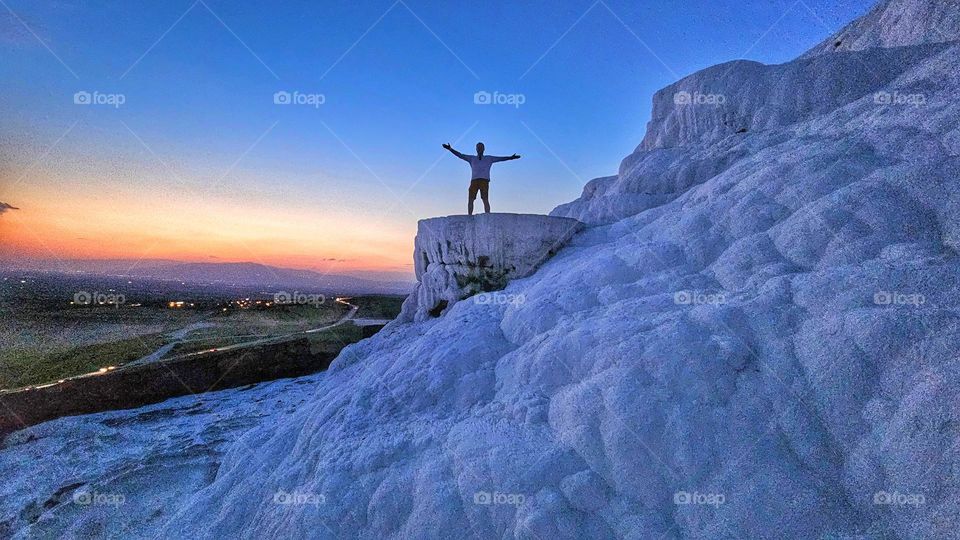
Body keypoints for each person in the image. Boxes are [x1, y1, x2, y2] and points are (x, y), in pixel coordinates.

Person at [442, 142, 520, 215]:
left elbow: (501, 158)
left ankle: (487, 216)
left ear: (484, 149)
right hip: (474, 181)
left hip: (484, 181)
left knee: (485, 199)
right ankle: (470, 216)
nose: (480, 149)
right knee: (471, 199)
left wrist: (511, 157)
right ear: (476, 149)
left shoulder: (489, 158)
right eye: (478, 147)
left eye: (481, 147)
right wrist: (450, 149)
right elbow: (460, 155)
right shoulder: (472, 158)